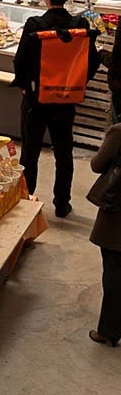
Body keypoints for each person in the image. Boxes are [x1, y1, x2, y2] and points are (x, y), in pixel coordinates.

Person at [12, 0, 101, 217]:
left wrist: (23, 86)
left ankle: (27, 200)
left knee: (30, 152)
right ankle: (62, 203)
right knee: (64, 153)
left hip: (36, 100)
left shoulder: (34, 24)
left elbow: (20, 60)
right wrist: (77, 82)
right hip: (66, 101)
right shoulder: (79, 24)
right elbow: (93, 60)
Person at [89, 122, 121, 347]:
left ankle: (109, 330)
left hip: (118, 213)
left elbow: (97, 164)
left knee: (114, 270)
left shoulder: (119, 132)